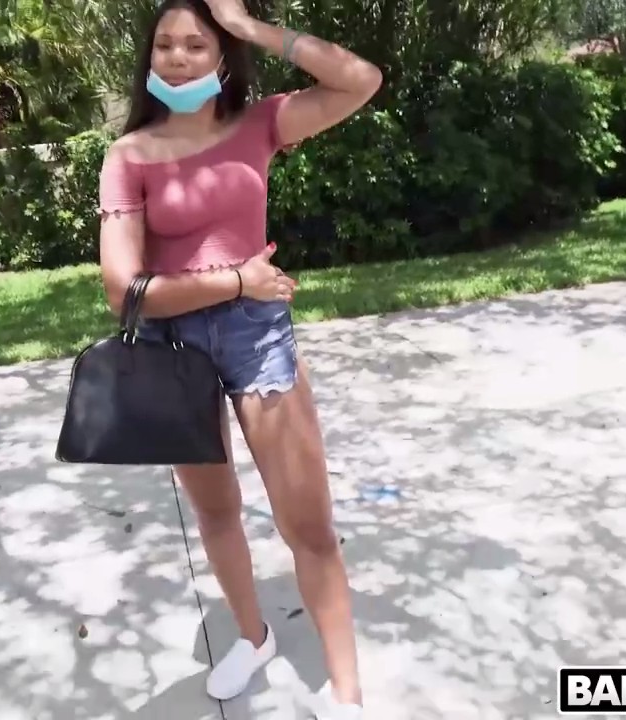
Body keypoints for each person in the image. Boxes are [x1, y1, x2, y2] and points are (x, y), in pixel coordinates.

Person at [96, 0, 382, 717]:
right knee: (217, 513)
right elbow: (124, 291)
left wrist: (254, 27)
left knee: (307, 523)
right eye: (165, 44)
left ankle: (347, 694)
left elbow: (360, 79)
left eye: (197, 44)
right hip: (172, 348)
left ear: (223, 57)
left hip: (257, 337)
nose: (178, 57)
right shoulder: (129, 156)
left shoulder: (259, 125)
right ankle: (254, 639)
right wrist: (235, 280)